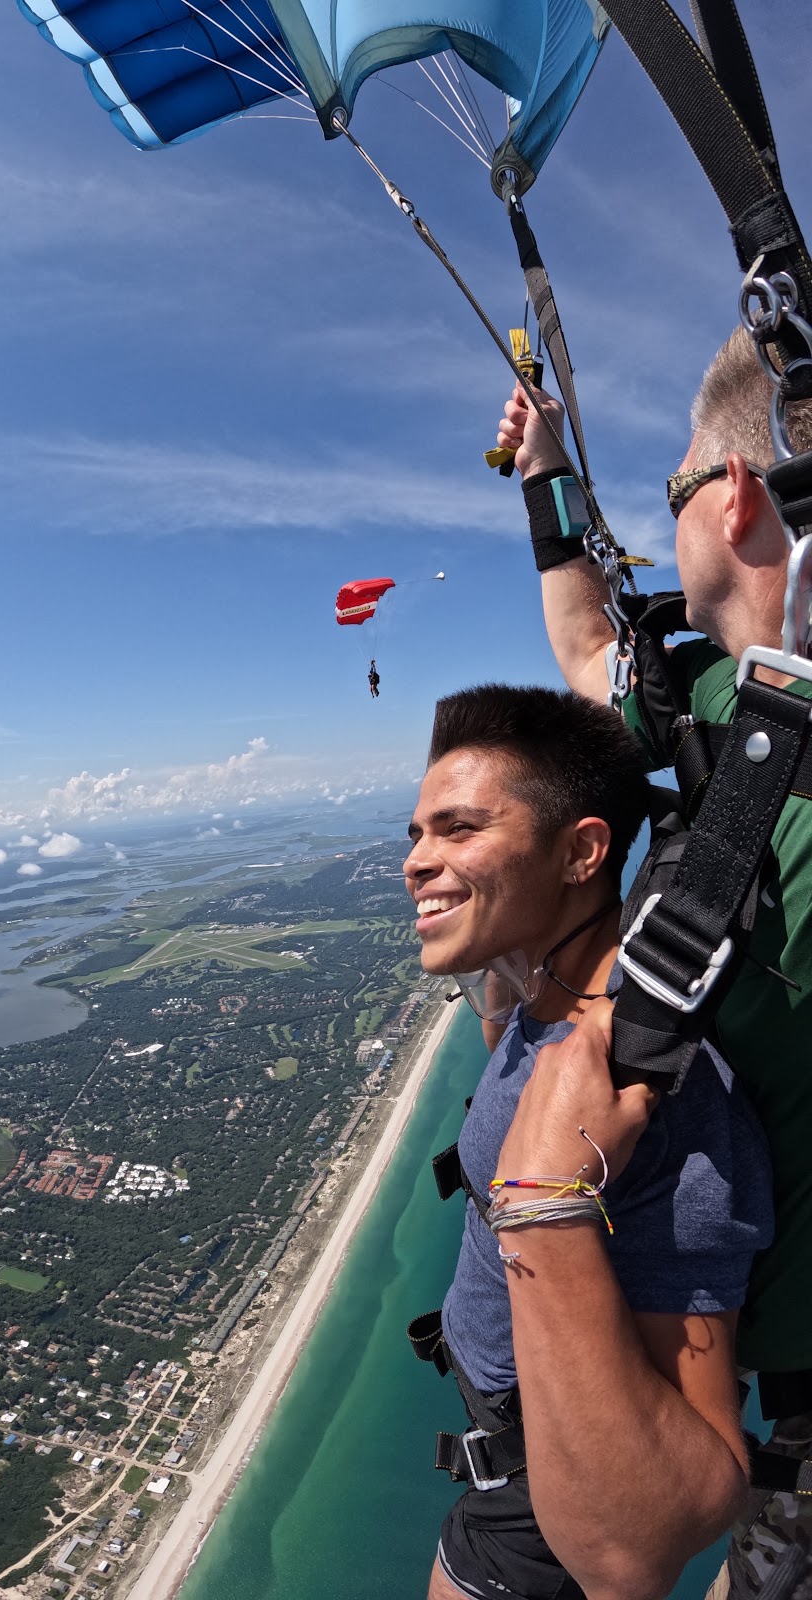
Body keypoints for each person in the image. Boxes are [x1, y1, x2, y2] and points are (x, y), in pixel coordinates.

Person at [497, 330, 812, 1595]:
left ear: (732, 495)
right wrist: (546, 479)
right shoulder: (710, 704)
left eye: (676, 483)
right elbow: (587, 650)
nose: (666, 510)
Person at [405, 683, 772, 1600]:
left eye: (456, 830)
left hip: (543, 1529)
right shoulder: (551, 997)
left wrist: (542, 1205)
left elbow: (639, 1555)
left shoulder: (650, 1097)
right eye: (415, 835)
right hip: (506, 1488)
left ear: (582, 852)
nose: (417, 861)